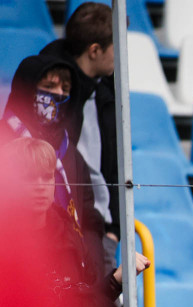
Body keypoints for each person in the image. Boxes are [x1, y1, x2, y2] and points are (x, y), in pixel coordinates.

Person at [2, 54, 108, 277]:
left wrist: (92, 265)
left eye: (65, 88)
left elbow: (88, 214)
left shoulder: (70, 151)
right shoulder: (4, 143)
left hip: (71, 272)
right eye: (49, 86)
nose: (58, 94)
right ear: (27, 89)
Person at [41, 2, 119, 262]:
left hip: (98, 232)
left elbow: (114, 166)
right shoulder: (50, 100)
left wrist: (112, 230)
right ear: (95, 51)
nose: (120, 58)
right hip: (62, 231)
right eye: (116, 49)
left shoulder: (106, 91)